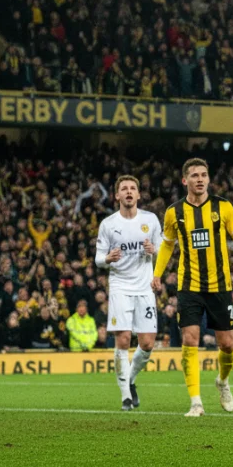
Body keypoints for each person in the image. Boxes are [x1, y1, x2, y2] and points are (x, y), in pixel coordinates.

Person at [154, 158, 233, 417]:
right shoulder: (174, 212)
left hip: (220, 285)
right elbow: (167, 244)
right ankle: (196, 402)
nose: (200, 179)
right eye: (195, 175)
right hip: (189, 285)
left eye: (204, 175)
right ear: (185, 180)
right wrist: (157, 273)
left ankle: (222, 381)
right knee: (190, 339)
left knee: (227, 344)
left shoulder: (222, 206)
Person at [95, 175, 162, 411]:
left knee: (147, 344)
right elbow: (98, 259)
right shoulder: (108, 224)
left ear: (139, 194)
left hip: (144, 287)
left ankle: (130, 380)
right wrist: (107, 258)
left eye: (133, 188)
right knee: (123, 339)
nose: (129, 192)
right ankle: (125, 397)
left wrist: (154, 250)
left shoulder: (150, 220)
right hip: (120, 286)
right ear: (117, 195)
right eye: (124, 189)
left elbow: (163, 249)